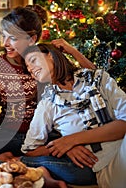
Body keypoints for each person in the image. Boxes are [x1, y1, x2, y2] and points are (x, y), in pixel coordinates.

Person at [0, 5, 95, 177]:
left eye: (12, 38)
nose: (5, 43)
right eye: (3, 36)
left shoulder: (45, 60)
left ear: (31, 39)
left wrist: (71, 50)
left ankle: (10, 164)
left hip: (45, 137)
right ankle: (11, 163)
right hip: (9, 134)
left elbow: (93, 79)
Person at [21, 43, 126, 187]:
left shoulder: (97, 79)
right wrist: (65, 148)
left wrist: (71, 140)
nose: (31, 69)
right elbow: (30, 150)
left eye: (33, 60)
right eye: (28, 69)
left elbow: (124, 124)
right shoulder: (47, 104)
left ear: (50, 55)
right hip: (102, 165)